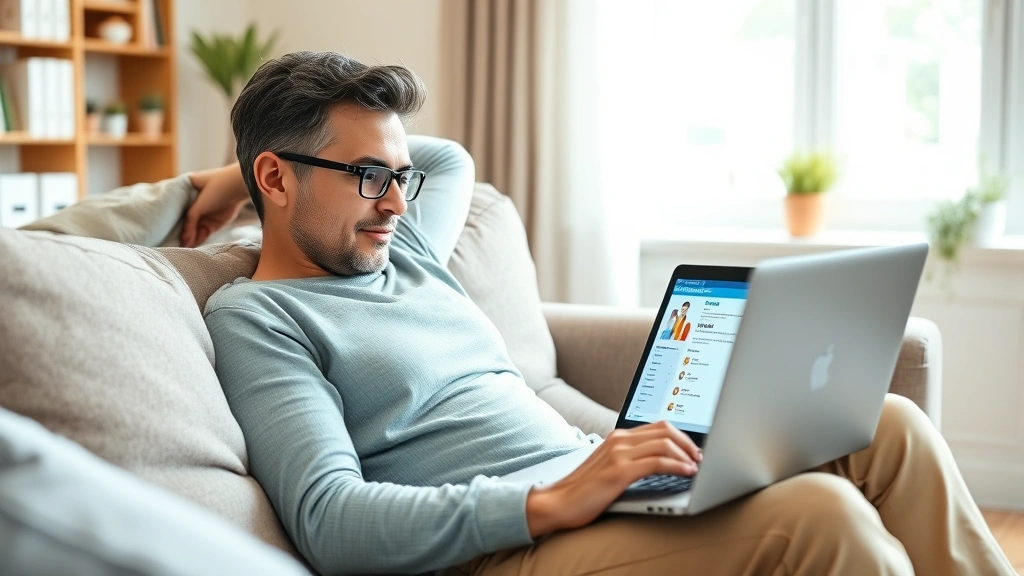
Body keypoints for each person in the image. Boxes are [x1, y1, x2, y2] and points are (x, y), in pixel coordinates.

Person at [174, 51, 1013, 575]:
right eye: (367, 175)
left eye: (398, 177)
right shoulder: (263, 318)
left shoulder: (398, 246)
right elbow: (331, 520)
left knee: (887, 425)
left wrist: (234, 173)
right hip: (513, 544)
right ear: (281, 182)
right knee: (820, 519)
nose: (395, 200)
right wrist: (551, 501)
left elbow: (447, 157)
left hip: (604, 485)